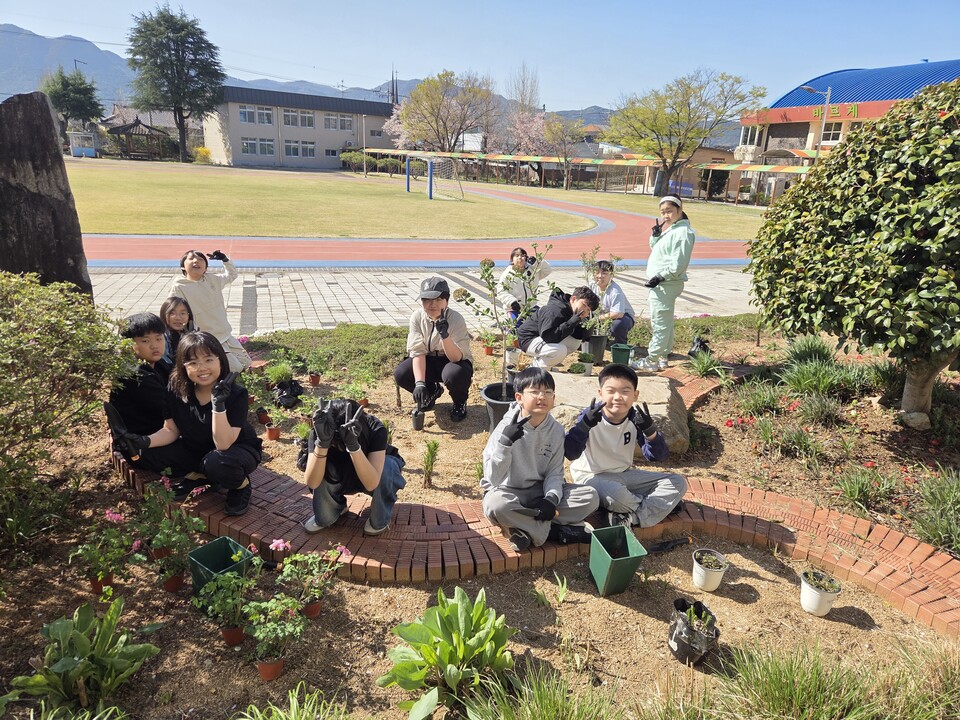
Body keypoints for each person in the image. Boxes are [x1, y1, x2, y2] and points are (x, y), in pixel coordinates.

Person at [114, 331, 260, 516]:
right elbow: (171, 430)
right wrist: (143, 441)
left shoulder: (235, 394)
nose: (202, 368)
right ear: (183, 366)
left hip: (234, 450)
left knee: (218, 463)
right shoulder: (176, 389)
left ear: (220, 361)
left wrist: (218, 405)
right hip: (196, 448)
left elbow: (223, 444)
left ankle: (240, 485)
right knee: (144, 455)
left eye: (208, 360)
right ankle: (202, 474)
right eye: (193, 362)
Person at [481, 367, 599, 551]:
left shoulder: (556, 430)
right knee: (496, 506)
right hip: (509, 492)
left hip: (540, 493)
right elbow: (492, 479)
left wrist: (551, 499)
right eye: (534, 392)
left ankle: (520, 528)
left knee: (590, 497)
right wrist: (505, 444)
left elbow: (554, 472)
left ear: (554, 398)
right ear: (519, 397)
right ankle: (552, 531)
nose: (541, 397)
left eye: (547, 392)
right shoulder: (505, 428)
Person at [564, 363, 687, 528]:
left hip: (624, 474)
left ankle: (631, 518)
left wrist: (651, 432)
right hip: (592, 477)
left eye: (625, 391)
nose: (618, 397)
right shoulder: (589, 416)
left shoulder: (636, 418)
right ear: (600, 393)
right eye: (611, 391)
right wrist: (583, 427)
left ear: (635, 395)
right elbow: (570, 453)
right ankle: (659, 507)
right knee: (616, 496)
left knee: (677, 482)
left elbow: (658, 456)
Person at [302, 398, 406, 536]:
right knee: (318, 468)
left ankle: (380, 519)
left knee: (387, 468)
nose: (339, 445)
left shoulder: (374, 428)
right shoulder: (321, 430)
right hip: (338, 474)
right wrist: (322, 443)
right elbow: (312, 481)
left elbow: (371, 483)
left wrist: (353, 446)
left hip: (370, 471)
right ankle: (336, 506)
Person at [393, 277, 473, 422]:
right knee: (401, 373)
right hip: (427, 359)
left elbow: (456, 358)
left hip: (451, 360)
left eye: (438, 299)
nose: (432, 304)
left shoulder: (456, 319)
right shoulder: (417, 317)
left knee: (455, 373)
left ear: (446, 300)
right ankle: (431, 391)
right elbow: (418, 352)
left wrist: (445, 335)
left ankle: (459, 402)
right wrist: (419, 383)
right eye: (427, 299)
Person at [105, 313, 173, 471]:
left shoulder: (159, 364)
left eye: (159, 338)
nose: (154, 345)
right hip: (143, 447)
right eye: (145, 341)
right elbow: (172, 407)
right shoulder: (135, 376)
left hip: (160, 436)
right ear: (129, 344)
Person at [637, 196, 696, 371]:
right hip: (663, 283)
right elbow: (658, 250)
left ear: (680, 209)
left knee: (660, 322)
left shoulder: (683, 233)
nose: (666, 216)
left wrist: (661, 276)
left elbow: (679, 264)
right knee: (666, 321)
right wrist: (655, 236)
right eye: (663, 212)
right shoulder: (672, 229)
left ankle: (652, 359)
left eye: (669, 211)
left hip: (665, 284)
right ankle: (663, 355)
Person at [169, 249, 251, 373]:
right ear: (183, 267)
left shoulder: (212, 279)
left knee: (246, 363)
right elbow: (172, 310)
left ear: (205, 268)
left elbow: (232, 275)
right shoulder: (179, 286)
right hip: (207, 338)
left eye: (201, 259)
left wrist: (225, 260)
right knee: (235, 368)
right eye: (191, 259)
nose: (196, 261)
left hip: (225, 333)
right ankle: (215, 379)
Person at [517, 285, 600, 369]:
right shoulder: (555, 310)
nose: (585, 311)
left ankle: (543, 362)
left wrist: (586, 331)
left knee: (574, 343)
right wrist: (572, 322)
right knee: (559, 350)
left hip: (541, 337)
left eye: (589, 310)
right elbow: (549, 337)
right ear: (574, 299)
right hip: (528, 339)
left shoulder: (572, 310)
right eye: (584, 305)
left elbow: (575, 335)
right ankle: (535, 370)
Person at [497, 247, 552, 323]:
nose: (520, 257)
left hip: (531, 307)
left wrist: (537, 262)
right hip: (514, 309)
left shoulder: (532, 271)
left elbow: (547, 270)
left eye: (523, 255)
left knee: (545, 322)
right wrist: (512, 302)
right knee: (514, 329)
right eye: (517, 255)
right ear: (512, 259)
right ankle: (505, 327)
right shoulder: (507, 274)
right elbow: (501, 291)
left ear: (526, 258)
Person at [589, 260, 635, 345]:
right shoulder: (592, 286)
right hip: (601, 316)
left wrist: (596, 319)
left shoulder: (615, 291)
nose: (600, 276)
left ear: (611, 275)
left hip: (623, 316)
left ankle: (620, 345)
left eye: (604, 273)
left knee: (618, 324)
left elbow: (618, 313)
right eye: (597, 273)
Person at [159, 295, 194, 368]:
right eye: (172, 313)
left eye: (183, 313)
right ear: (163, 314)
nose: (178, 318)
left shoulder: (192, 334)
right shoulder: (162, 338)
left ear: (189, 316)